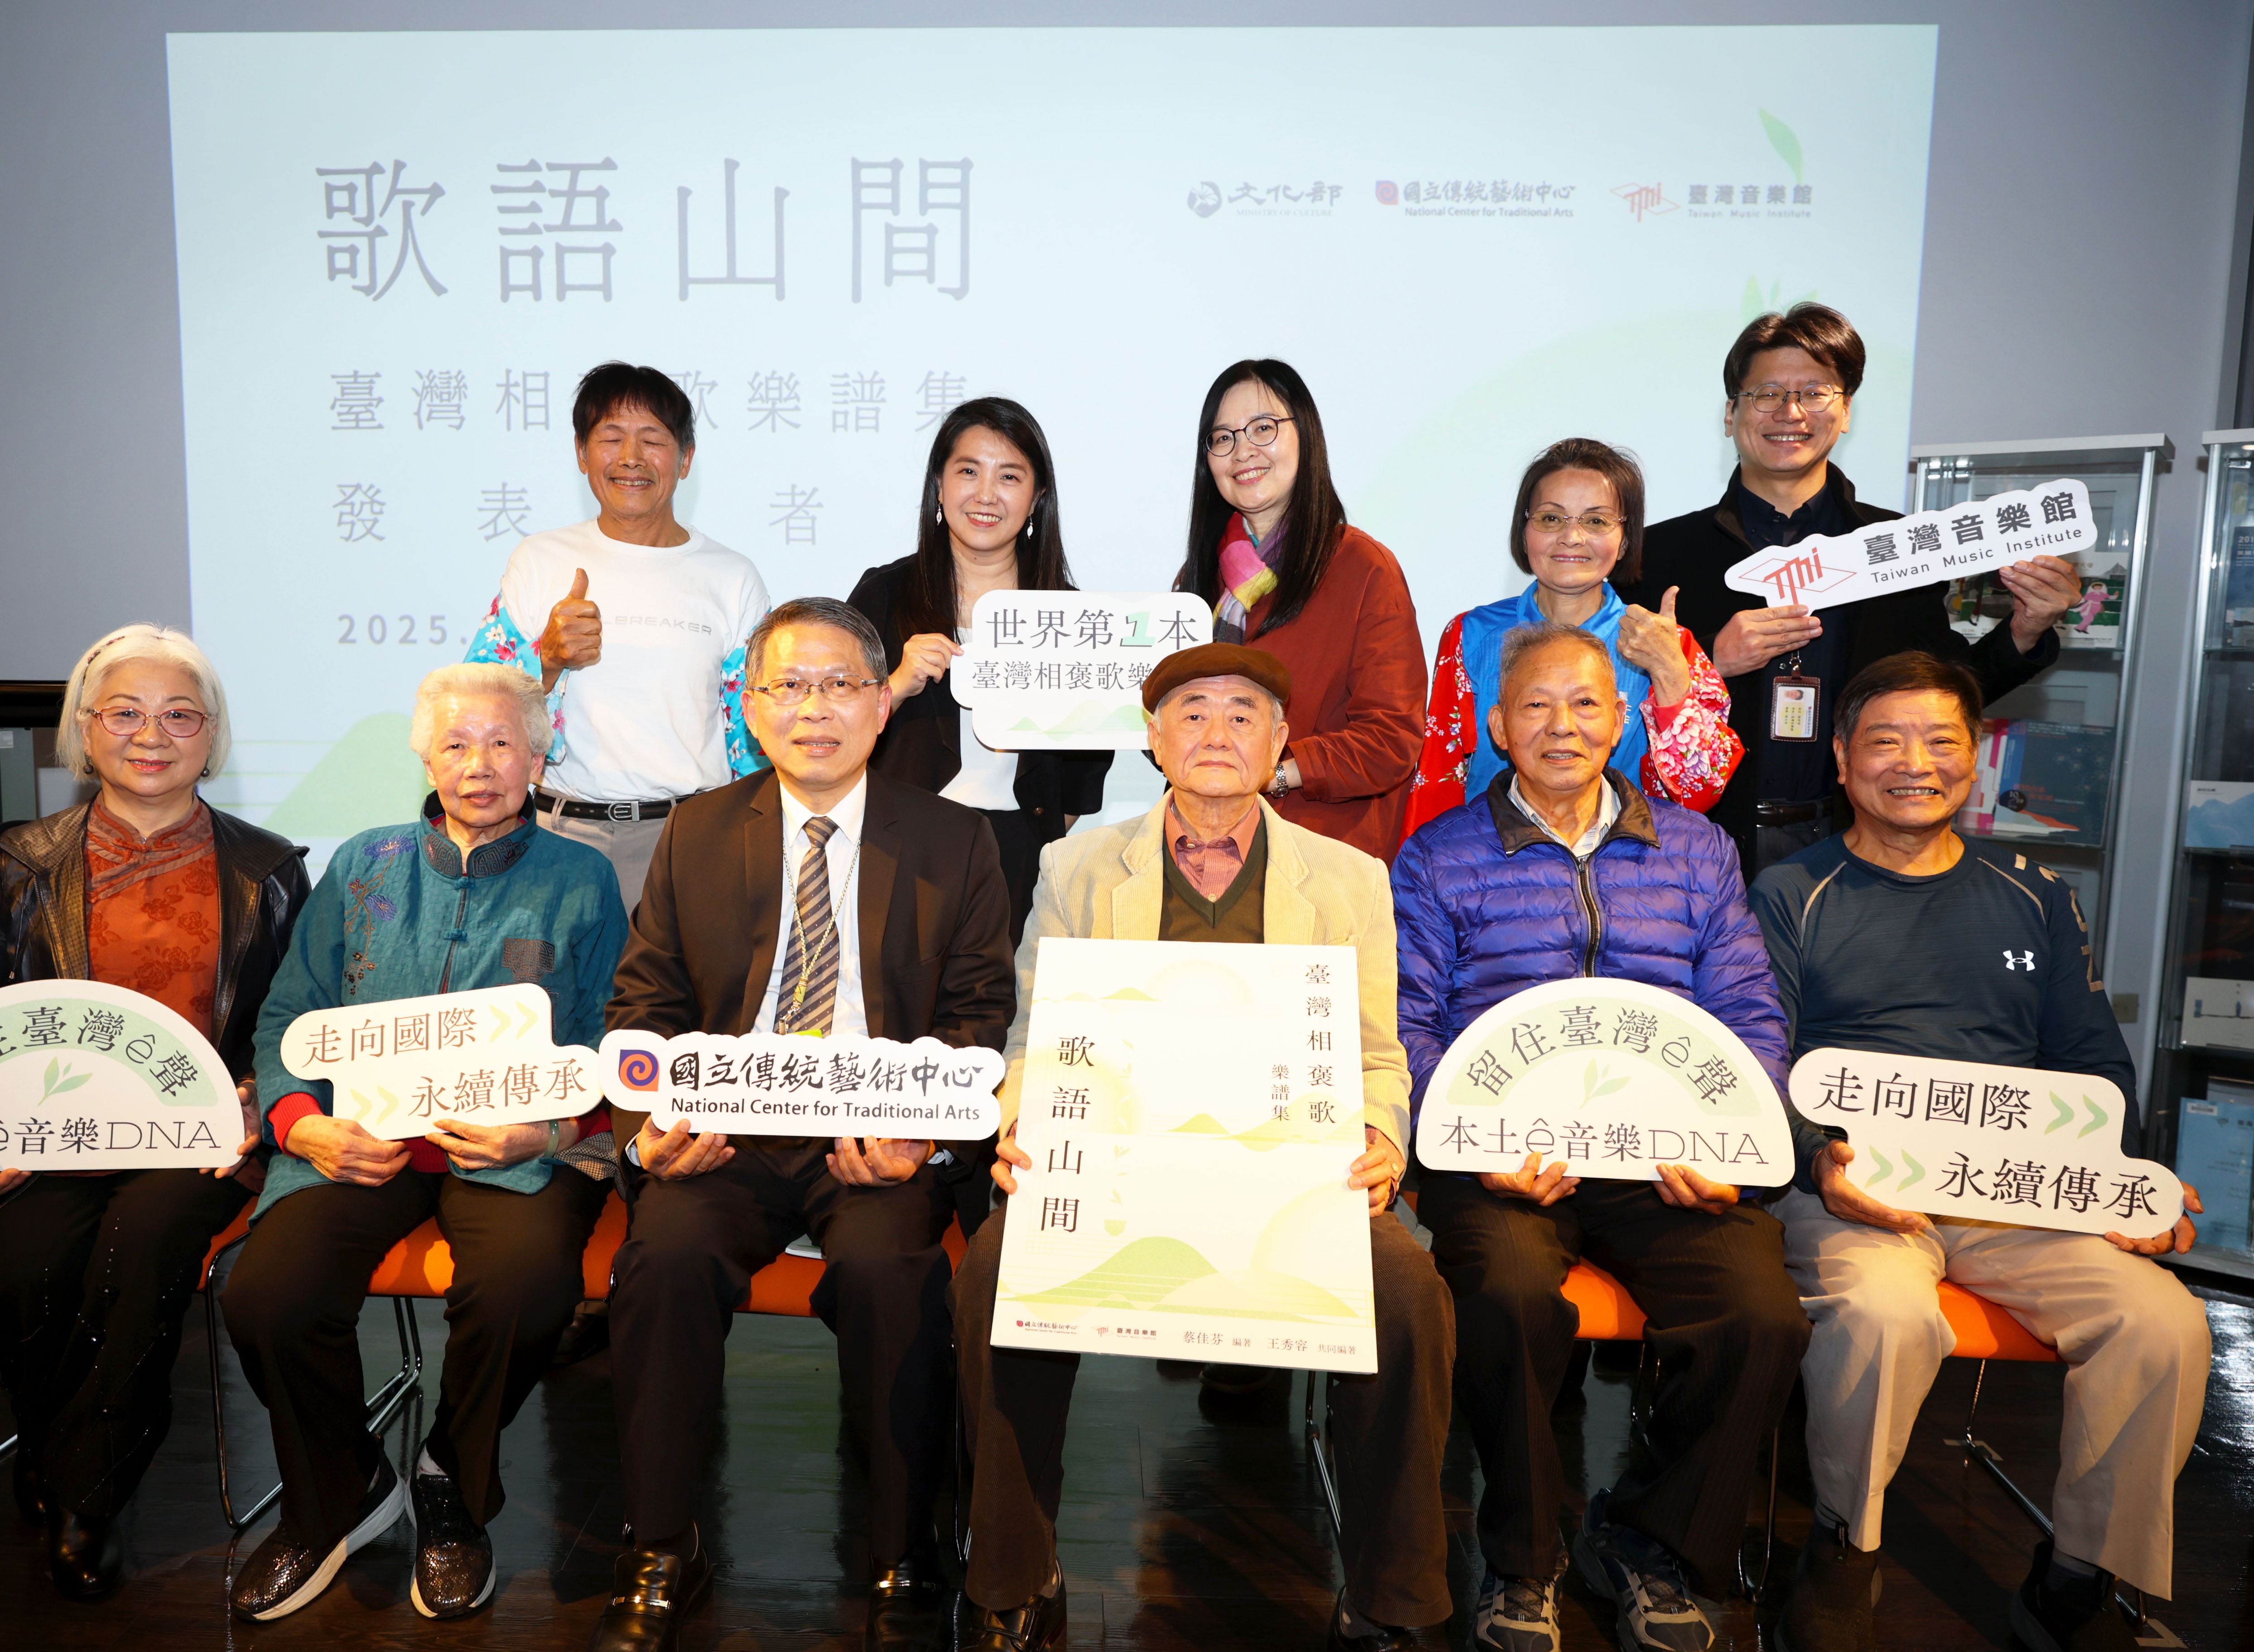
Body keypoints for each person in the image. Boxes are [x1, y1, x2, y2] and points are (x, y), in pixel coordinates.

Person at [953, 643, 1455, 1652]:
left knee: (1408, 1293)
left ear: (1280, 741)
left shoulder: (1349, 877)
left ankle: (1393, 1595)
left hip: (1292, 1173)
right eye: (1191, 712)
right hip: (1118, 1165)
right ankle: (1011, 1566)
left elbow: (1374, 1050)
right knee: (997, 1271)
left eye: (1242, 714)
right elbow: (1035, 1033)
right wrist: (1022, 1124)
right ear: (1152, 738)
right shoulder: (1079, 865)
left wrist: (1378, 1136)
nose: (1216, 733)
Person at [1749, 653, 2210, 1652]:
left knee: (2162, 1322)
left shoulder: (2035, 895)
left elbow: (2092, 1064)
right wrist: (1817, 1157)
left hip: (2013, 1191)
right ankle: (1845, 1548)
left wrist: (2123, 1189)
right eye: (1885, 741)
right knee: (1883, 1315)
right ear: (1841, 761)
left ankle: (2080, 1575)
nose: (1913, 764)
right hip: (1852, 1188)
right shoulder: (1791, 891)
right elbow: (1756, 1060)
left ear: (1976, 758)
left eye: (1940, 741)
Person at [592, 597, 1014, 1652]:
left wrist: (924, 1138)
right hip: (725, 1133)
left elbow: (977, 1016)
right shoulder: (698, 829)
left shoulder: (953, 839)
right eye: (788, 686)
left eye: (838, 686)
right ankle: (660, 1542)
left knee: (889, 1276)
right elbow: (642, 1006)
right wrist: (650, 1128)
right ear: (750, 706)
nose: (813, 709)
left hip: (874, 1135)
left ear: (881, 705)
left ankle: (904, 1546)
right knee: (663, 1262)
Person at [1393, 621, 1816, 1652]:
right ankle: (1520, 1559)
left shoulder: (1696, 850)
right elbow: (1406, 1022)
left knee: (1759, 1315)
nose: (1561, 725)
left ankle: (1648, 1541)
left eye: (1584, 703)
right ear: (1497, 725)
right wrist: (1468, 1142)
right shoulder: (1438, 854)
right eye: (1535, 705)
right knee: (1504, 1296)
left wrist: (1732, 1145)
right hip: (1501, 1156)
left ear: (1621, 718)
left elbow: (1748, 1012)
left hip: (1663, 1154)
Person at [222, 664, 627, 1624]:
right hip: (360, 1140)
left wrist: (549, 1129)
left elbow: (616, 1038)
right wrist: (303, 1124)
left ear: (538, 760)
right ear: (425, 757)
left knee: (527, 1286)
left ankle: (451, 1482)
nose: (478, 765)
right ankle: (340, 1494)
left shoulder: (582, 879)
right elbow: (289, 1013)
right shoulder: (364, 864)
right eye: (456, 744)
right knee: (268, 1294)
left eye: (502, 744)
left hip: (516, 1147)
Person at [0, 624, 308, 1601]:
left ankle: (88, 1493)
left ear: (211, 737)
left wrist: (259, 1095)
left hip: (196, 1144)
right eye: (125, 713)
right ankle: (54, 1436)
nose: (151, 735)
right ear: (85, 732)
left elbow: (294, 1023)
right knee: (22, 1262)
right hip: (47, 1136)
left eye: (180, 716)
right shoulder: (22, 860)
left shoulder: (267, 867)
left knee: (144, 1243)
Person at [1621, 303, 2079, 880]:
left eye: (1815, 393)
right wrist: (1708, 659)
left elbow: (1945, 693)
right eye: (1767, 393)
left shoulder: (1900, 547)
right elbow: (1604, 706)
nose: (1791, 412)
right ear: (1732, 413)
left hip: (1855, 848)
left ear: (1845, 413)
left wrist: (2025, 631)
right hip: (1695, 847)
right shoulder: (1655, 554)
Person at [465, 360, 771, 911]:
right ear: (582, 453)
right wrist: (548, 660)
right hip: (560, 839)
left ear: (685, 458)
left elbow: (753, 732)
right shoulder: (539, 561)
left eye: (653, 440)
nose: (631, 457)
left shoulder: (732, 577)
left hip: (689, 841)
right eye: (611, 438)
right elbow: (475, 706)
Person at [847, 396, 1112, 941]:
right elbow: (834, 720)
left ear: (1037, 498)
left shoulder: (1068, 616)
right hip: (902, 845)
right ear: (939, 486)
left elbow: (1089, 763)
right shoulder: (885, 594)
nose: (986, 494)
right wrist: (896, 685)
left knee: (1010, 993)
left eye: (1009, 476)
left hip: (1020, 853)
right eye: (968, 471)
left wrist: (1037, 834)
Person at [1407, 437, 1739, 833]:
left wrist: (1669, 674)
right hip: (1490, 861)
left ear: (1625, 540)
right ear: (1524, 530)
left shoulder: (1667, 644)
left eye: (1596, 521)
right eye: (1551, 519)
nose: (1572, 537)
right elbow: (1438, 780)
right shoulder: (1472, 634)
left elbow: (1701, 791)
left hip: (1626, 861)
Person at [1173, 358, 1426, 864]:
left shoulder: (1364, 568)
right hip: (1205, 852)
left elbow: (1391, 740)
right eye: (1223, 438)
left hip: (1324, 859)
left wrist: (1276, 774)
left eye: (1263, 428)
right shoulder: (1197, 580)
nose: (1243, 451)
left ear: (1305, 435)